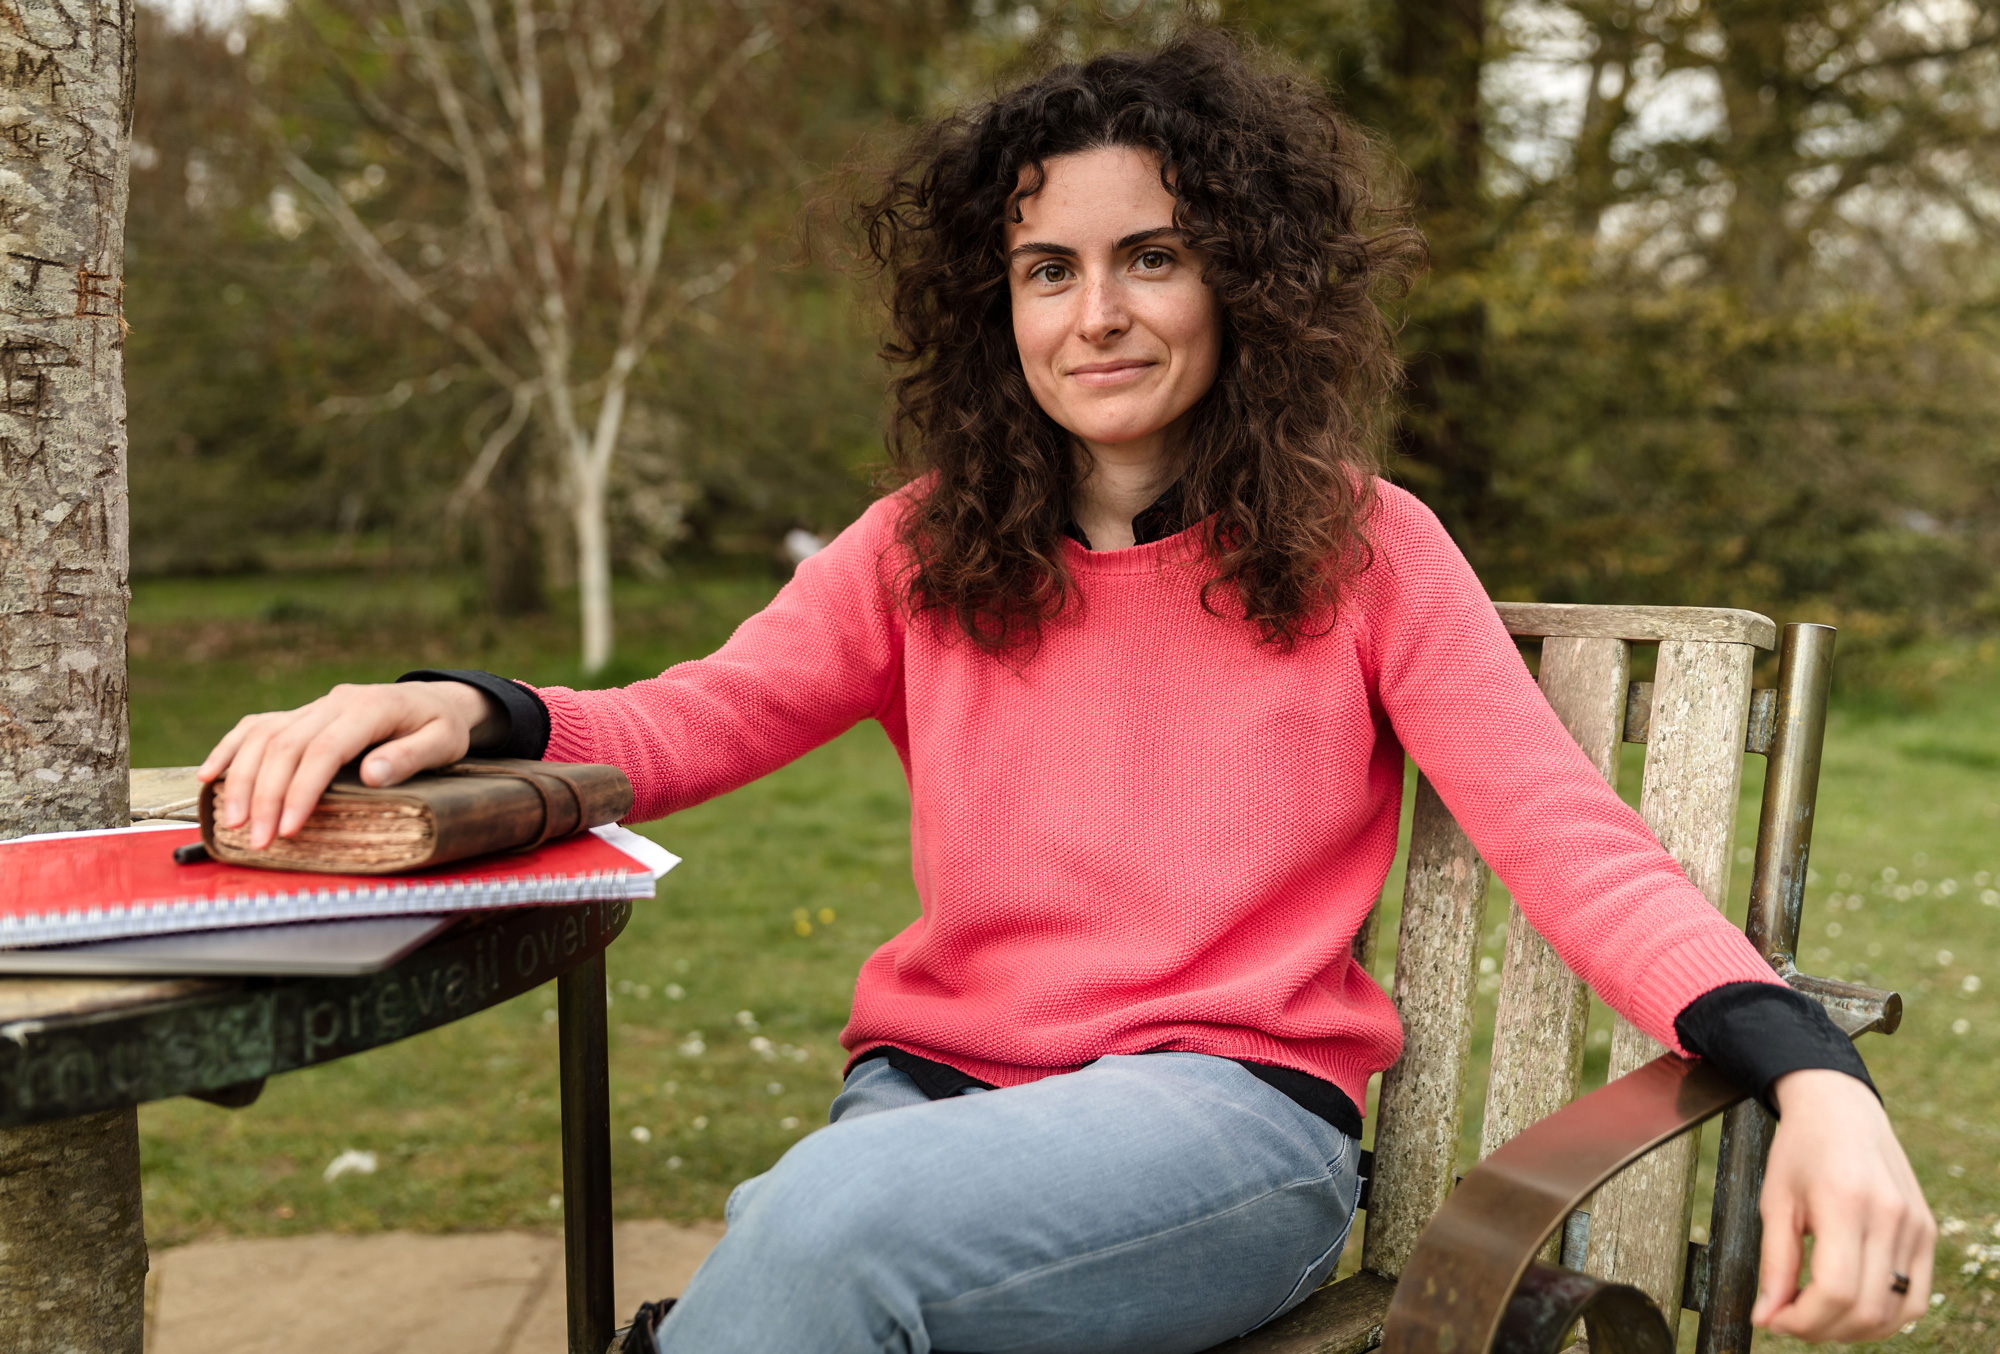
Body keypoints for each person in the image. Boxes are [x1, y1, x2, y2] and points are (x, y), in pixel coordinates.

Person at [199, 32, 1933, 1354]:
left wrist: (1810, 1069)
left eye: (1153, 256)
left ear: (1243, 283)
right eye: (1049, 269)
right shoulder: (922, 547)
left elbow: (1577, 846)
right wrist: (463, 700)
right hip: (925, 1115)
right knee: (830, 1221)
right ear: (996, 307)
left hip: (1226, 1128)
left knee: (816, 1240)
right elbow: (689, 715)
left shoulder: (1367, 547)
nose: (1097, 312)